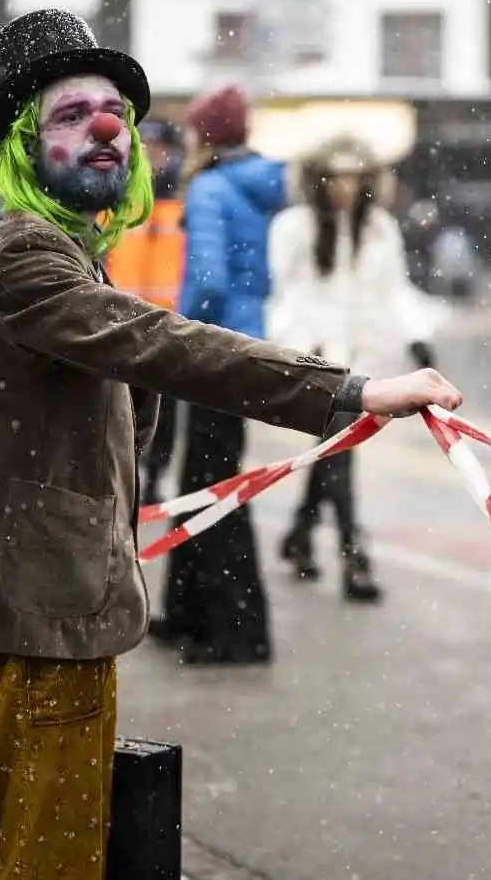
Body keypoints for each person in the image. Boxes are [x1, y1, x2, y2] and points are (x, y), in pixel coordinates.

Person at [0, 8, 462, 880]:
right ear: (22, 144)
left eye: (116, 114)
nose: (105, 128)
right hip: (31, 623)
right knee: (42, 869)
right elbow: (166, 342)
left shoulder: (63, 249)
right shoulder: (23, 255)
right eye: (69, 115)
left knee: (31, 860)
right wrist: (352, 390)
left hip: (40, 612)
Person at [267, 135, 446, 602]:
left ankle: (302, 534)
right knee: (339, 448)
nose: (343, 187)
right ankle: (352, 552)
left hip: (364, 362)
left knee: (335, 447)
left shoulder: (379, 229)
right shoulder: (294, 227)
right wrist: (304, 351)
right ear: (317, 180)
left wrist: (416, 338)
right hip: (317, 359)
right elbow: (290, 295)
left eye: (353, 177)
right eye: (335, 176)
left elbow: (394, 292)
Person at [149, 82, 288, 665]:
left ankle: (236, 630)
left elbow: (205, 282)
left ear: (203, 133)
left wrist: (181, 338)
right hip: (249, 344)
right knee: (205, 477)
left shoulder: (208, 188)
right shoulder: (261, 186)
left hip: (214, 352)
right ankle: (187, 612)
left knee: (215, 486)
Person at [103, 117, 186, 503]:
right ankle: (131, 472)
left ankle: (154, 476)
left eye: (159, 148)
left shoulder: (180, 202)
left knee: (163, 414)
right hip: (124, 322)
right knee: (123, 407)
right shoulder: (119, 198)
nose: (153, 156)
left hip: (167, 322)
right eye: (146, 148)